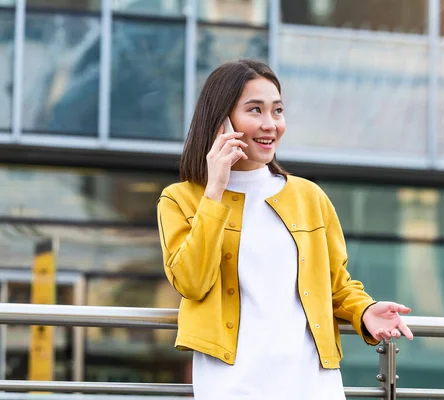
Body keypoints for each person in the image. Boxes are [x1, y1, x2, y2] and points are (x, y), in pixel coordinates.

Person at [156, 59, 413, 400]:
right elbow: (192, 281)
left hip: (310, 381)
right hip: (231, 383)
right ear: (221, 121)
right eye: (255, 110)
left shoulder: (309, 197)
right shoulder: (180, 200)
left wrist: (364, 311)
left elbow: (336, 284)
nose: (270, 125)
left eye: (277, 111)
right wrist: (215, 190)